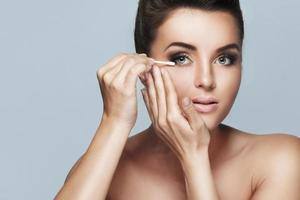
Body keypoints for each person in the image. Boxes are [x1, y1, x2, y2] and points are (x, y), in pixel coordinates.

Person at [54, 0, 300, 199]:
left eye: (224, 58)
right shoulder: (111, 167)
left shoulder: (281, 161)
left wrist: (194, 160)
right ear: (144, 65)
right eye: (181, 58)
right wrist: (114, 121)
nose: (206, 80)